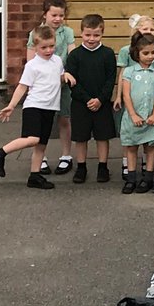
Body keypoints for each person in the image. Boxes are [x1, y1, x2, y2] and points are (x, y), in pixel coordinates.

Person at [0, 24, 64, 189]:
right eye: (44, 47)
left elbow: (60, 75)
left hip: (50, 107)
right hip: (34, 106)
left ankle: (34, 176)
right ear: (35, 47)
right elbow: (22, 86)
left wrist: (68, 75)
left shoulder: (57, 60)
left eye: (51, 46)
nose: (48, 50)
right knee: (32, 139)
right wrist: (11, 105)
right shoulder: (32, 65)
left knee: (41, 144)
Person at [65, 13, 118, 184]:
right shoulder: (75, 55)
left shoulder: (108, 54)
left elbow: (111, 79)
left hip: (101, 103)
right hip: (81, 103)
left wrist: (100, 99)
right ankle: (81, 166)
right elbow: (72, 81)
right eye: (88, 35)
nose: (91, 39)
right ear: (81, 33)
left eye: (96, 35)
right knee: (81, 137)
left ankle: (103, 167)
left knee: (103, 136)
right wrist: (87, 99)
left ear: (102, 33)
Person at [26, 0, 74, 176]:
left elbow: (72, 55)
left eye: (61, 15)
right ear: (45, 14)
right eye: (54, 15)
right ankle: (41, 157)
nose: (57, 19)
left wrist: (66, 74)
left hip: (62, 83)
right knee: (40, 123)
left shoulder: (67, 32)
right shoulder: (35, 33)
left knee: (64, 118)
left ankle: (66, 156)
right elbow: (30, 61)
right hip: (42, 86)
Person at [119, 32, 154, 194]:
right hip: (134, 117)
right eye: (146, 53)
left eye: (153, 52)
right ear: (136, 53)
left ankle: (148, 178)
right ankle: (131, 178)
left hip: (150, 117)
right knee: (132, 147)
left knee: (150, 147)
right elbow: (126, 95)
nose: (150, 56)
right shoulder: (129, 72)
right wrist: (133, 115)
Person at [113, 14, 154, 179]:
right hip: (131, 97)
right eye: (145, 29)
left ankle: (146, 162)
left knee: (148, 132)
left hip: (149, 98)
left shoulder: (153, 51)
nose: (149, 31)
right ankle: (127, 163)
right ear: (137, 30)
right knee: (130, 132)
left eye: (152, 29)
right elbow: (122, 73)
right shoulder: (126, 50)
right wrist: (118, 96)